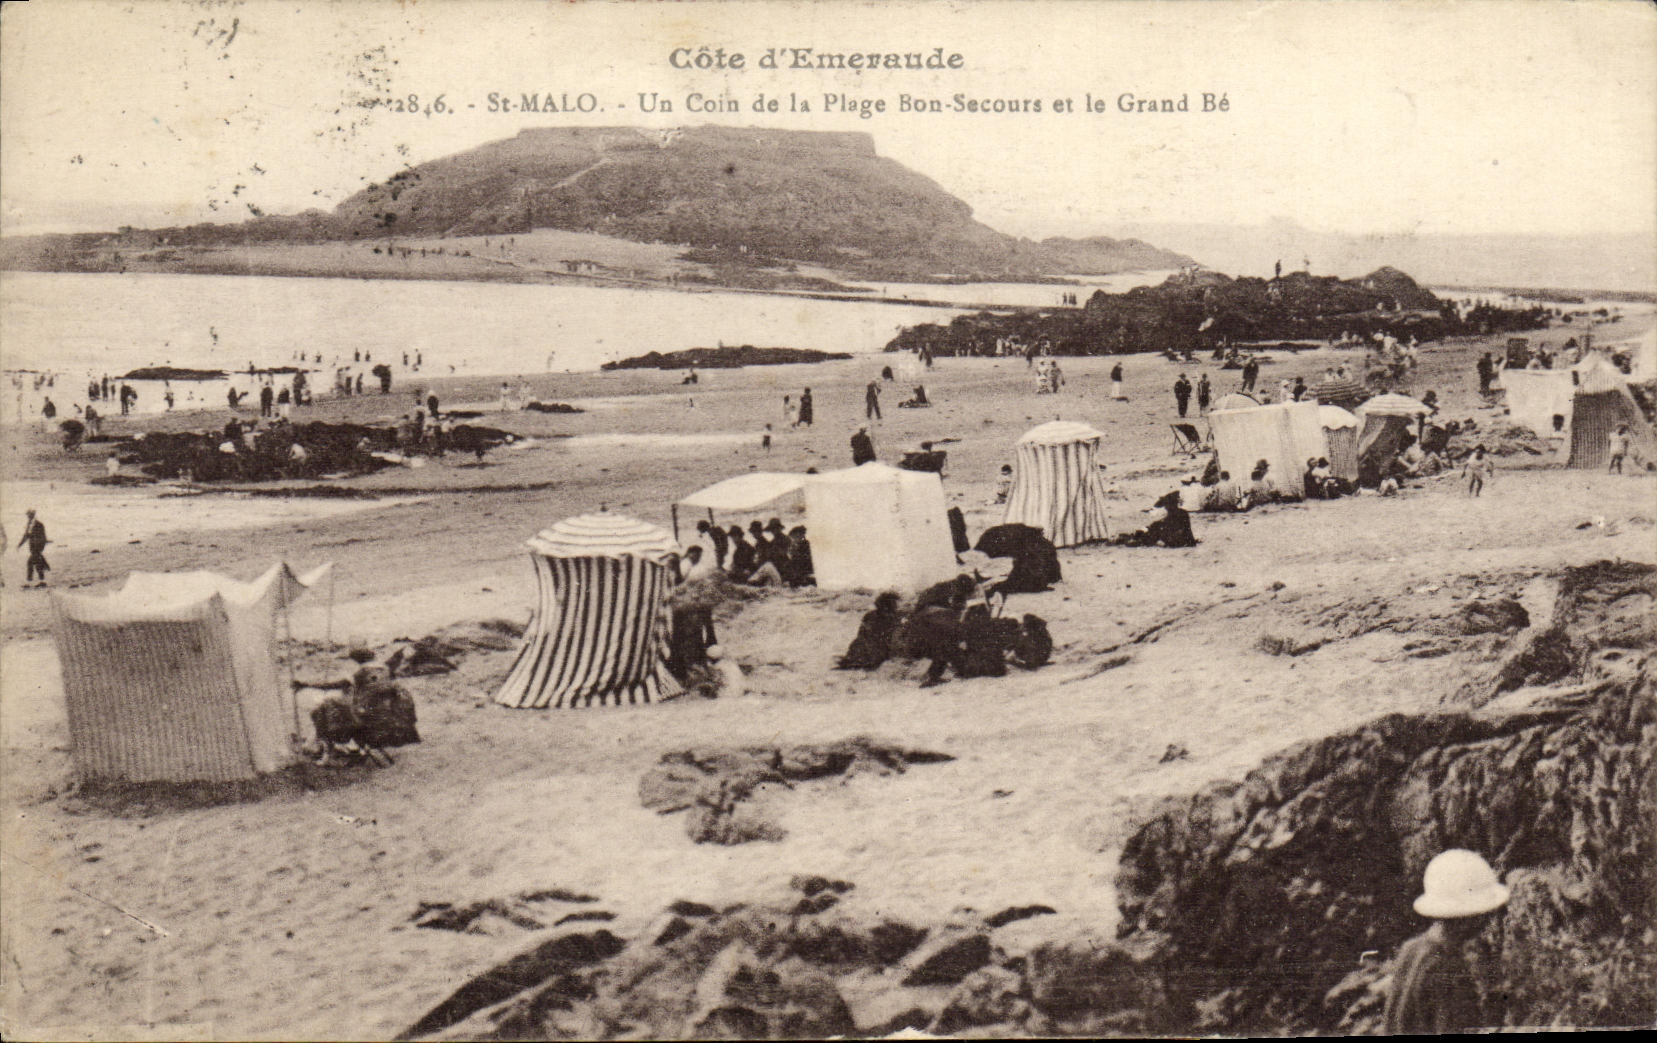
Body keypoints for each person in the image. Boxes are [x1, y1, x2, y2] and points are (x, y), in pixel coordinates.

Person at [1384, 849, 1509, 1034]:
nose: (1488, 920)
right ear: (1469, 916)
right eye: (1485, 913)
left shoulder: (1410, 950)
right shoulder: (1448, 969)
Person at [17, 509, 49, 588]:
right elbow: (26, 536)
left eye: (29, 515)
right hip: (33, 549)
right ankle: (42, 582)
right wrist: (20, 545)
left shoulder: (39, 524)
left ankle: (29, 583)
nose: (28, 516)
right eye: (27, 515)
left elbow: (43, 537)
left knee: (30, 563)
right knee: (38, 565)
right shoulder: (29, 524)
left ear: (33, 515)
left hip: (37, 549)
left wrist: (40, 548)